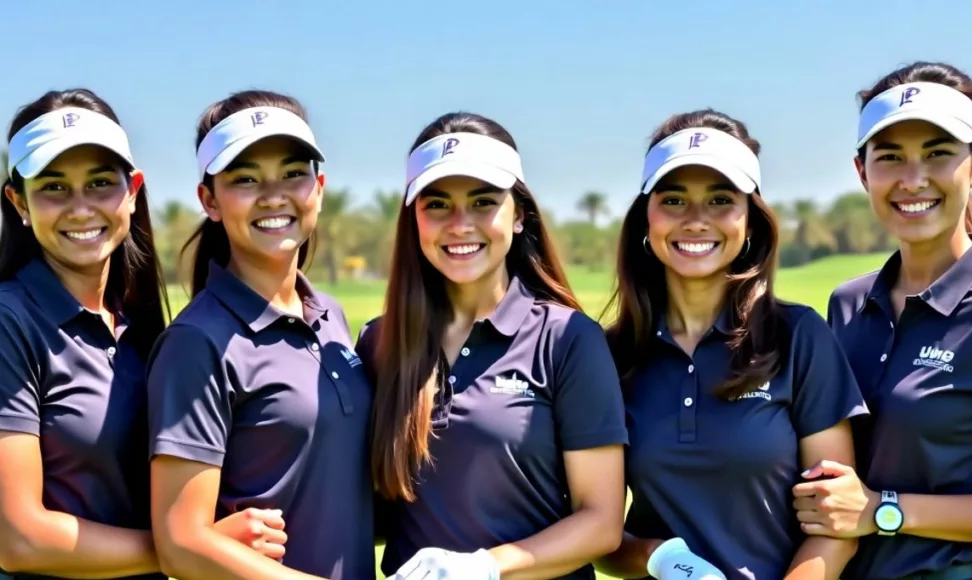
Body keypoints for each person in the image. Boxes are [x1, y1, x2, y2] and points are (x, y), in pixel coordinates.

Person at [0, 89, 286, 580]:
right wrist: (191, 545)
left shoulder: (142, 327)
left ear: (132, 190)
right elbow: (18, 537)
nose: (81, 207)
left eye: (100, 183)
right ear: (17, 201)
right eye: (53, 187)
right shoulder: (10, 320)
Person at [595, 110, 869, 580]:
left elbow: (836, 525)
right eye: (675, 199)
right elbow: (597, 532)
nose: (697, 221)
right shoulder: (609, 356)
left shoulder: (798, 337)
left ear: (751, 220)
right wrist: (658, 559)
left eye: (721, 200)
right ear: (647, 216)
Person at [356, 111, 628, 580]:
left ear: (519, 215)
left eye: (483, 202)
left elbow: (601, 523)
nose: (460, 224)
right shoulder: (380, 342)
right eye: (437, 204)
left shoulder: (568, 339)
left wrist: (485, 567)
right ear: (413, 219)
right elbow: (376, 512)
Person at [793, 62, 972, 580]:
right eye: (890, 157)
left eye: (938, 154)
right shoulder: (846, 304)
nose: (912, 179)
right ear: (862, 171)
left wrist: (883, 511)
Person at [145, 90, 375, 580]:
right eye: (246, 179)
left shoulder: (331, 315)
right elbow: (180, 544)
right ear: (209, 199)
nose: (274, 195)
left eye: (293, 173)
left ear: (319, 188)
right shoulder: (196, 342)